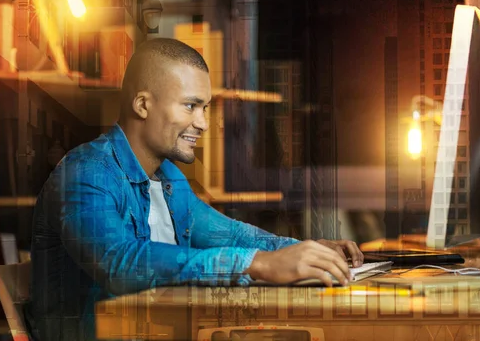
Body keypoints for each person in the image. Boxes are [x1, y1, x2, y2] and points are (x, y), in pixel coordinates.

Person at [26, 38, 364, 341]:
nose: (203, 123)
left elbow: (231, 235)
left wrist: (305, 250)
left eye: (205, 108)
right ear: (143, 105)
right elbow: (120, 263)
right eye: (190, 106)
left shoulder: (168, 178)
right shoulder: (87, 171)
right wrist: (259, 264)